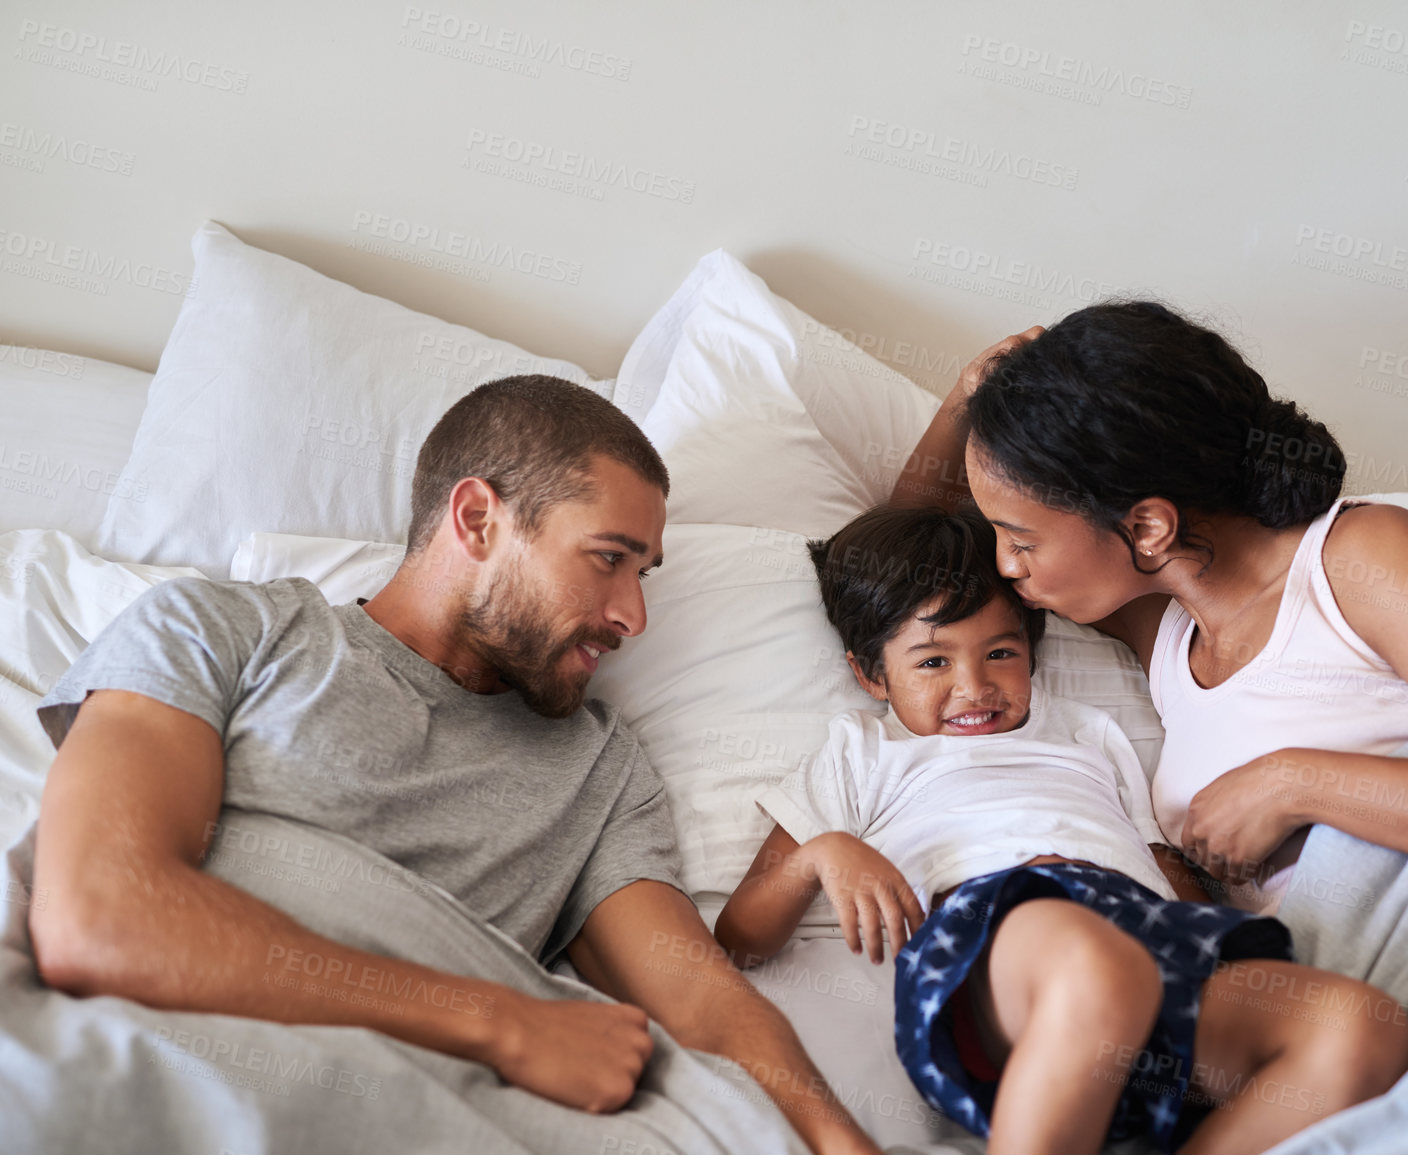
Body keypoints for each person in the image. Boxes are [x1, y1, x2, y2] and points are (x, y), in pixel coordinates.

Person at [28, 375, 880, 1155]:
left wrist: (843, 1145)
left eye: (644, 573)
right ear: (477, 519)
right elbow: (100, 918)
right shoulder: (222, 629)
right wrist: (502, 1020)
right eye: (608, 558)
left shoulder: (601, 769)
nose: (632, 615)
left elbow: (703, 1007)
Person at [891, 307, 1408, 912]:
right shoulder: (1164, 627)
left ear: (1145, 525)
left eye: (1019, 537)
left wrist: (1295, 782)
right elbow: (906, 561)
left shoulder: (1358, 560)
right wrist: (978, 396)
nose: (1003, 563)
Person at [715, 504, 1408, 1155]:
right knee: (1098, 967)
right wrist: (825, 854)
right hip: (991, 942)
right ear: (870, 675)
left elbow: (1160, 870)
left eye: (1000, 653)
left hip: (1142, 934)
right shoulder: (862, 752)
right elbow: (740, 937)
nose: (974, 686)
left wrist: (1215, 946)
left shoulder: (1087, 732)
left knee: (1358, 1028)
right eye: (932, 661)